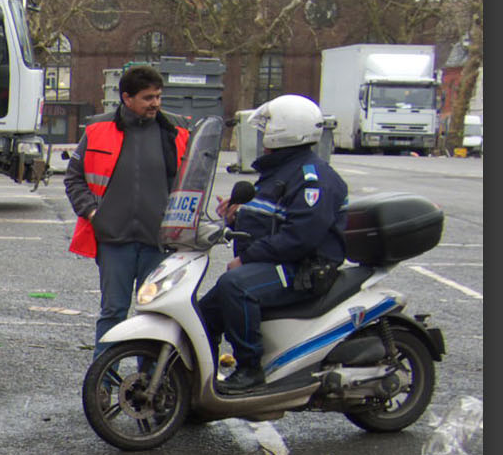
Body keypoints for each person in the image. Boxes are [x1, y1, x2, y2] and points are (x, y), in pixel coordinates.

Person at [199, 94, 349, 393]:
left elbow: (301, 237)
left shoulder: (313, 178)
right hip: (279, 262)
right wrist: (234, 219)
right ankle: (200, 381)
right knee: (205, 311)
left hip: (304, 268)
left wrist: (248, 257)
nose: (261, 136)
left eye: (266, 128)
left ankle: (250, 370)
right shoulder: (278, 172)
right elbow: (269, 222)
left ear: (284, 131)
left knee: (236, 285)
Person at [64, 65, 189, 342]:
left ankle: (150, 382)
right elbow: (74, 179)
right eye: (148, 98)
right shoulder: (98, 129)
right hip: (114, 240)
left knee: (155, 314)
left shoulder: (177, 132)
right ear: (126, 98)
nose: (155, 103)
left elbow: (191, 183)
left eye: (158, 96)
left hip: (158, 242)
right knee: (113, 312)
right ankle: (103, 382)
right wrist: (94, 213)